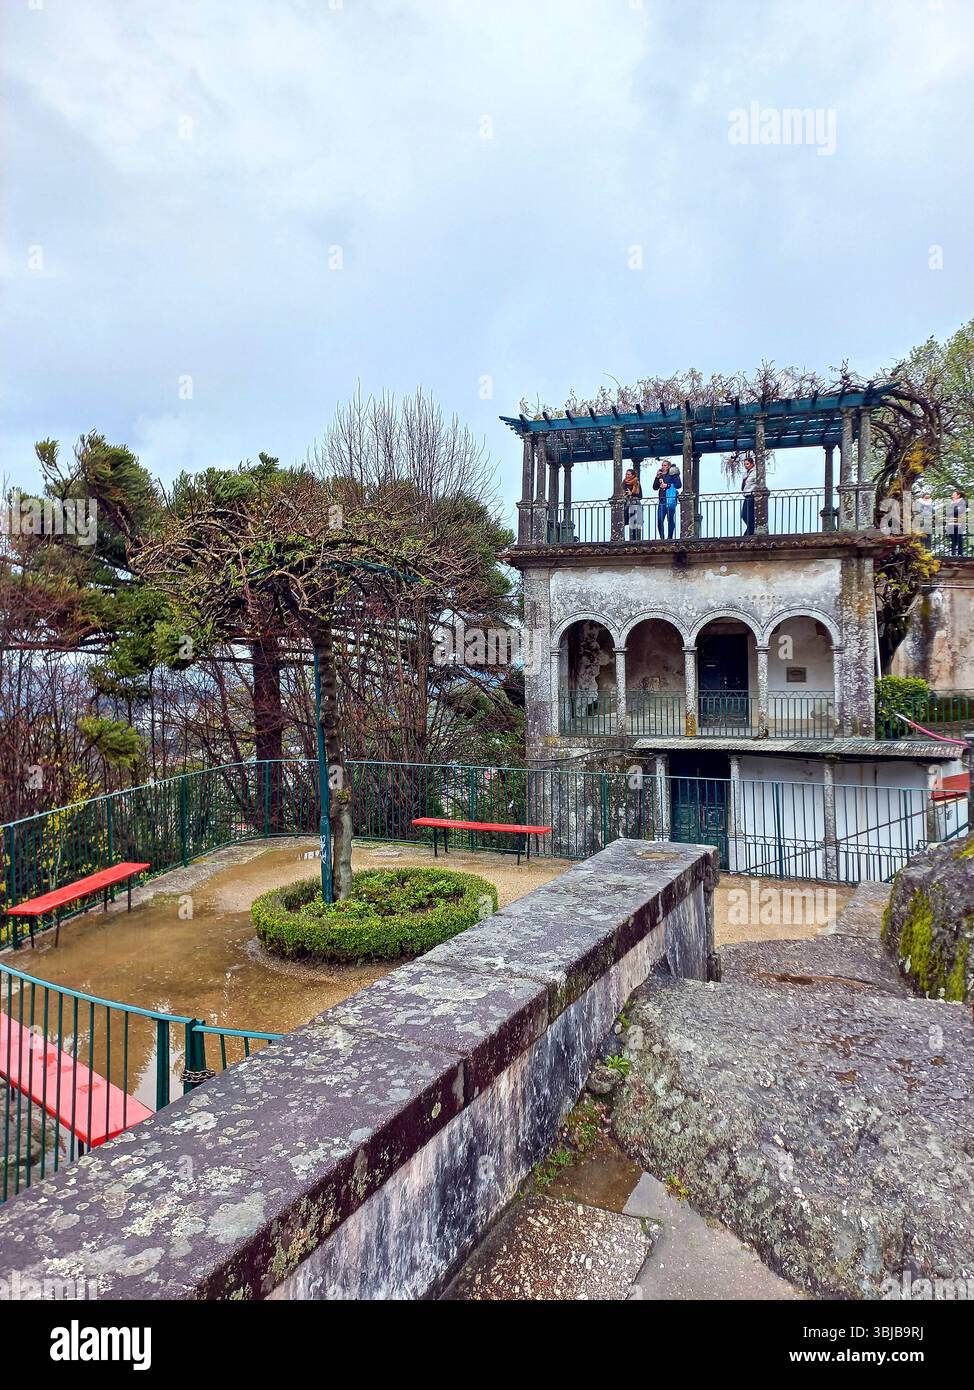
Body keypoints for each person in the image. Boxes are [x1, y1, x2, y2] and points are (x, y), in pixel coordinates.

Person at [652, 460, 681, 539]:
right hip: (662, 500)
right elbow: (655, 487)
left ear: (668, 466)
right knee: (659, 520)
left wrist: (667, 485)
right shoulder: (660, 475)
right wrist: (657, 477)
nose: (663, 467)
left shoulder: (673, 474)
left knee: (670, 519)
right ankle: (662, 537)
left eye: (665, 465)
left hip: (670, 500)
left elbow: (678, 485)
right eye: (662, 465)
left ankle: (670, 537)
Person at [622, 466, 643, 540]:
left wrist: (631, 493)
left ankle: (635, 540)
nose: (626, 476)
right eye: (626, 474)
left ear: (632, 475)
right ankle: (623, 539)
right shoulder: (624, 483)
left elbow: (640, 496)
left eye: (628, 474)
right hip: (626, 504)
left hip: (634, 504)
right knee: (624, 522)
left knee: (634, 524)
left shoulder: (636, 483)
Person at [740, 455, 757, 535]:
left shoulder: (755, 472)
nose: (746, 466)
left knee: (749, 515)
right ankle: (750, 530)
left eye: (747, 464)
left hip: (751, 495)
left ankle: (750, 532)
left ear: (752, 463)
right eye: (745, 464)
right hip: (746, 495)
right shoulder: (746, 473)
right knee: (744, 515)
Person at [948, 490, 967, 556]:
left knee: (959, 537)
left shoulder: (962, 502)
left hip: (959, 522)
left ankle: (960, 554)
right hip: (951, 522)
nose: (952, 495)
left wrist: (953, 510)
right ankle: (953, 553)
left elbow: (959, 511)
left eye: (954, 494)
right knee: (953, 538)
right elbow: (948, 512)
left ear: (958, 495)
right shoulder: (952, 502)